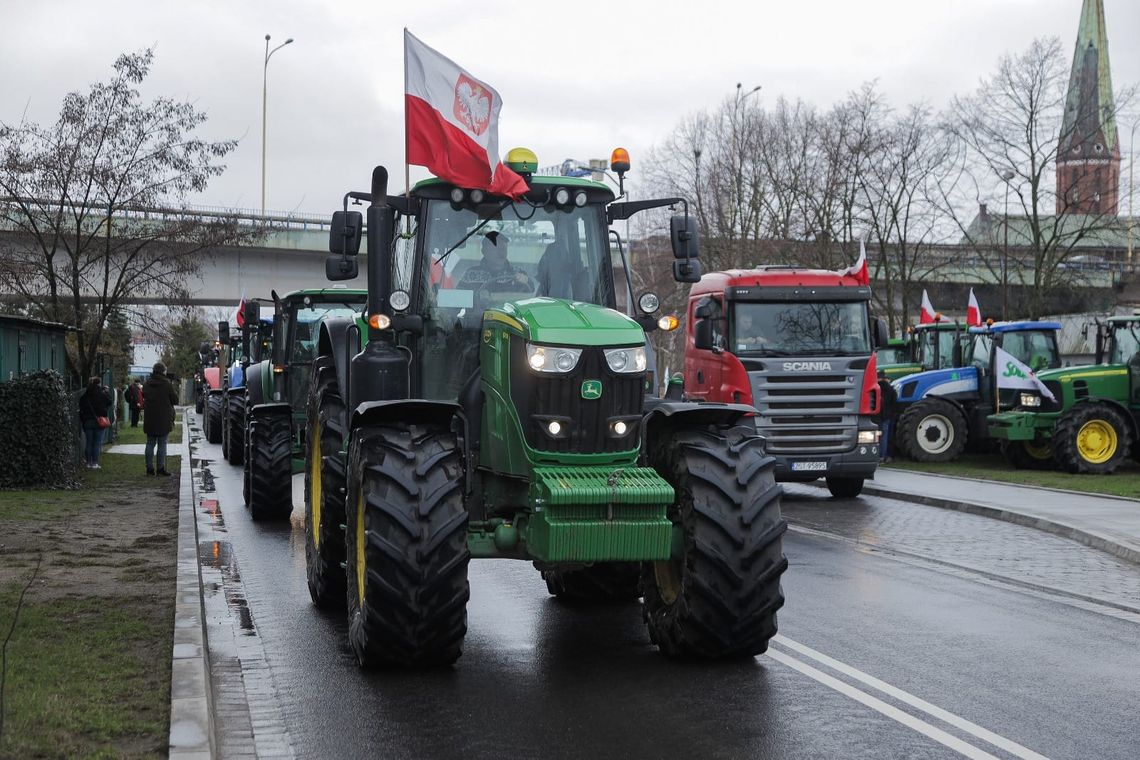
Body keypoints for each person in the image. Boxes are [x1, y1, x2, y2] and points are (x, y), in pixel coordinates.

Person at [456, 231, 534, 299]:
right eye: (495, 249)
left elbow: (531, 291)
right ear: (483, 251)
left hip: (508, 316)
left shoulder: (517, 272)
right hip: (477, 316)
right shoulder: (470, 274)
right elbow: (457, 300)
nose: (500, 253)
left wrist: (526, 280)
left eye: (503, 249)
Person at [142, 361, 178, 477]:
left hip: (150, 417)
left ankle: (149, 468)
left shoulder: (147, 383)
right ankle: (160, 468)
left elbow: (144, 395)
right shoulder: (166, 384)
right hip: (163, 418)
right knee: (162, 444)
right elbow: (175, 400)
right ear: (163, 371)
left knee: (150, 443)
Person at [78, 377, 112, 469]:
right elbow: (109, 402)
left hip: (88, 421)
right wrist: (106, 392)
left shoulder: (85, 396)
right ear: (99, 384)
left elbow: (81, 407)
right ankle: (95, 463)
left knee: (89, 442)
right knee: (97, 443)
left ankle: (88, 462)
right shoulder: (102, 394)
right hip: (100, 421)